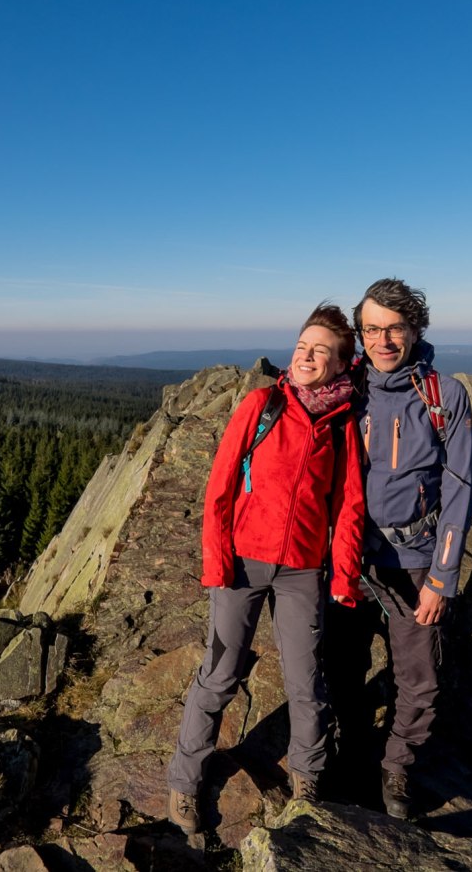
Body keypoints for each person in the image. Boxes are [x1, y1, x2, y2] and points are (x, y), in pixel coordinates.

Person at [166, 305, 366, 835]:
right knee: (220, 675)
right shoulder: (262, 404)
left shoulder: (341, 423)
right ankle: (185, 781)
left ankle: (308, 779)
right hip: (242, 562)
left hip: (303, 568)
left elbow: (348, 505)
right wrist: (217, 562)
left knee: (307, 681)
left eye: (321, 350)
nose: (306, 355)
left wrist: (343, 576)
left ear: (343, 364)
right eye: (303, 345)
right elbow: (221, 486)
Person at [325, 278, 472, 820]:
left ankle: (397, 768)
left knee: (419, 677)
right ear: (360, 333)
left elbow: (460, 488)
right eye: (371, 329)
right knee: (342, 668)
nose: (383, 340)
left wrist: (442, 576)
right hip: (349, 559)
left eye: (394, 328)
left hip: (414, 561)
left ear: (415, 330)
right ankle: (347, 755)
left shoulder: (444, 396)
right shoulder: (347, 386)